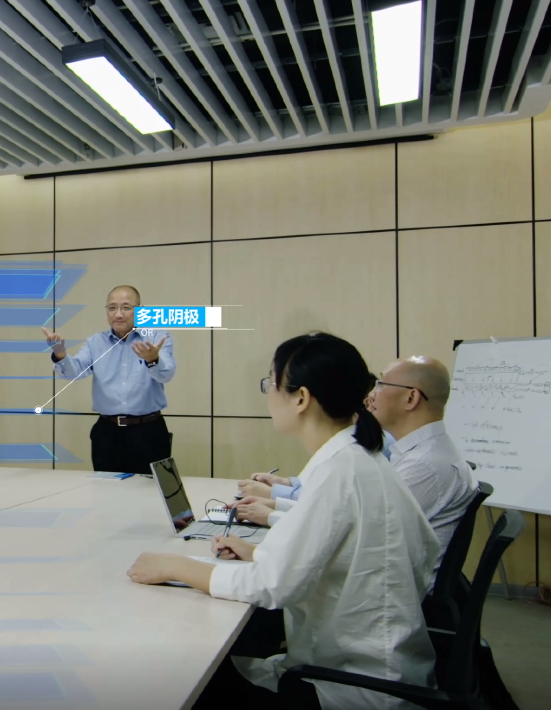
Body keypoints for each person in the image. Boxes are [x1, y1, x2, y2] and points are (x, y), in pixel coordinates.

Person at [126, 333, 440, 709]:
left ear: (301, 398)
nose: (269, 395)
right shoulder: (356, 458)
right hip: (362, 663)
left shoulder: (341, 470)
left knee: (180, 676)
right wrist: (257, 553)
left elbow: (272, 586)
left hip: (358, 685)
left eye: (271, 384)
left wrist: (176, 566)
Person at [234, 356, 476, 556]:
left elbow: (355, 535)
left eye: (381, 385)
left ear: (411, 398)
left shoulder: (424, 465)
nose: (371, 396)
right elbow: (352, 518)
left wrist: (271, 520)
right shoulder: (419, 452)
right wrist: (278, 506)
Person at [40, 285, 174, 474]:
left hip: (148, 431)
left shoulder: (157, 338)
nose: (118, 314)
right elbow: (74, 372)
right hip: (107, 433)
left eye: (126, 307)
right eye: (112, 308)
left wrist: (153, 359)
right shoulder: (95, 342)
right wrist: (60, 354)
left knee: (149, 490)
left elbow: (166, 374)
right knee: (106, 490)